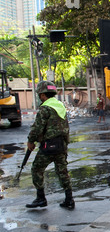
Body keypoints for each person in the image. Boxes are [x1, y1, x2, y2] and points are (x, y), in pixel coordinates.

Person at [25, 81, 74, 210]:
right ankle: (69, 199)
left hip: (48, 146)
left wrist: (31, 141)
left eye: (39, 94)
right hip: (62, 145)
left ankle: (41, 198)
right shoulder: (60, 105)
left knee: (36, 169)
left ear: (42, 95)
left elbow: (37, 128)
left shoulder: (45, 108)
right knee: (62, 171)